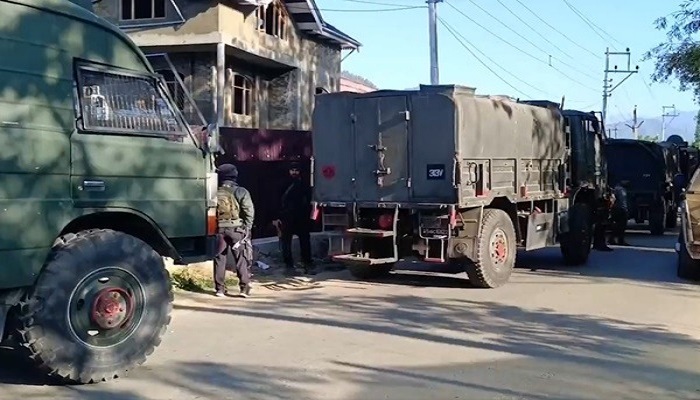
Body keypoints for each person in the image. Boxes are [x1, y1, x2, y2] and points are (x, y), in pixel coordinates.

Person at [213, 163, 255, 298]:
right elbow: (249, 211)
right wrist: (247, 228)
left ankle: (219, 289)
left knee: (219, 258)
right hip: (236, 230)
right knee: (241, 258)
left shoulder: (214, 191)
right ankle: (244, 288)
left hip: (219, 230)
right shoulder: (241, 191)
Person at [273, 162, 316, 276]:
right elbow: (276, 201)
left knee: (305, 241)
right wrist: (276, 217)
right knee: (286, 242)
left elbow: (309, 200)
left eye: (296, 170)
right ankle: (289, 266)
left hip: (301, 217)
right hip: (287, 217)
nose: (294, 172)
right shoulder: (282, 184)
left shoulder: (304, 184)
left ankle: (307, 263)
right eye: (292, 170)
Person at [592, 186, 614, 251]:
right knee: (601, 229)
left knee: (599, 229)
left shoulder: (600, 192)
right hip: (602, 212)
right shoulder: (601, 194)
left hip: (601, 211)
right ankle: (601, 245)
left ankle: (597, 244)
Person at [609, 180, 631, 246]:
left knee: (621, 226)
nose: (627, 182)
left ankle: (617, 239)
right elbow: (614, 199)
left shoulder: (623, 189)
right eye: (625, 181)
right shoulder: (617, 189)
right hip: (619, 209)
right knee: (620, 226)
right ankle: (616, 239)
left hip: (622, 209)